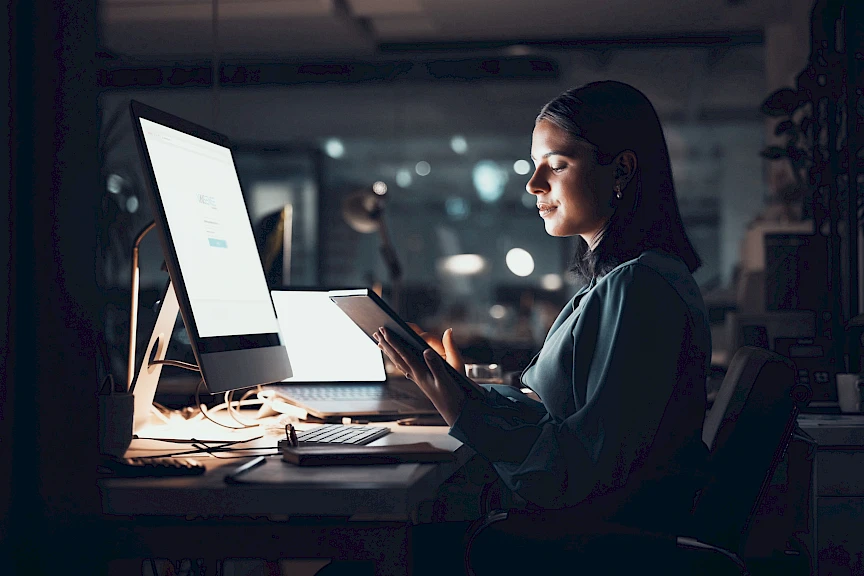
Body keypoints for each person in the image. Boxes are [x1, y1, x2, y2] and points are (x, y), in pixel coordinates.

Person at [374, 80, 711, 572]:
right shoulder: (624, 280)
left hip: (591, 547)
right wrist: (469, 397)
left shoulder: (639, 288)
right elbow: (569, 426)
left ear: (621, 170)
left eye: (556, 165)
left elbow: (575, 474)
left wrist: (462, 410)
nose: (534, 184)